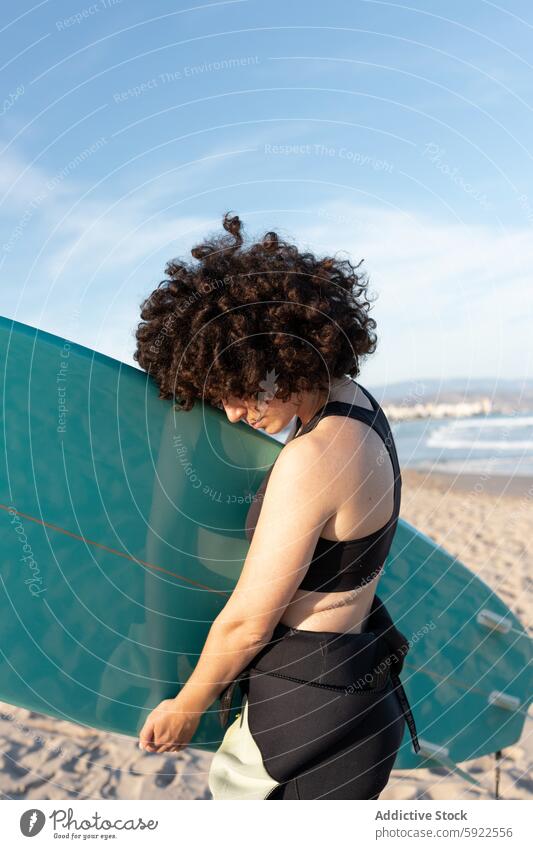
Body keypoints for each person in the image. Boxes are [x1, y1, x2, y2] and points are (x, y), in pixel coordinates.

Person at [132, 211, 419, 800]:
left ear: (273, 348)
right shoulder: (355, 406)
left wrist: (188, 705)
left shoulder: (314, 457)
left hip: (305, 711)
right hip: (347, 691)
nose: (235, 414)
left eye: (235, 391)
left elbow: (247, 621)